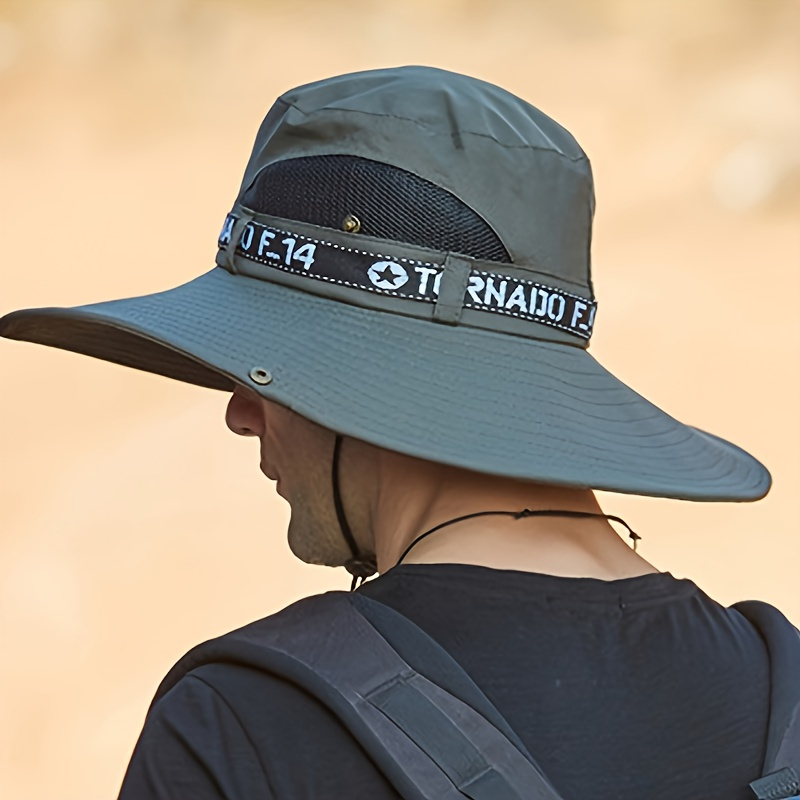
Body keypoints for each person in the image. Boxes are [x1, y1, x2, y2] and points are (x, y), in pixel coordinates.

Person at [0, 66, 787, 799]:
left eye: (266, 369)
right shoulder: (781, 695)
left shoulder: (239, 730)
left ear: (374, 372)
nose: (240, 413)